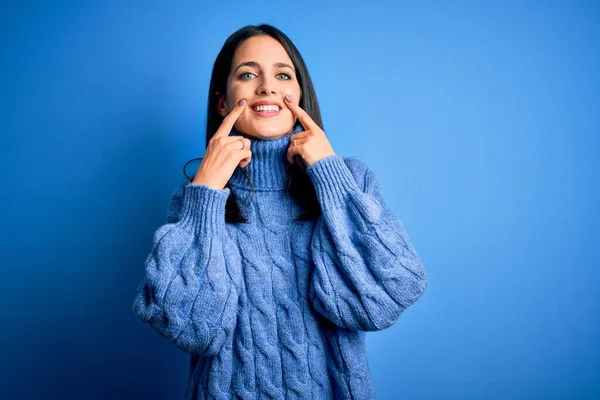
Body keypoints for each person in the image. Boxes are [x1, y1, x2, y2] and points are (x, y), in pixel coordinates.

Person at [132, 23, 428, 399]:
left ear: (299, 94)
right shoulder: (195, 201)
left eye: (283, 75)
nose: (267, 87)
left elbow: (382, 302)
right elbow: (194, 329)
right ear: (223, 101)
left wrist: (330, 177)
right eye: (248, 74)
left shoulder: (351, 181)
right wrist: (206, 190)